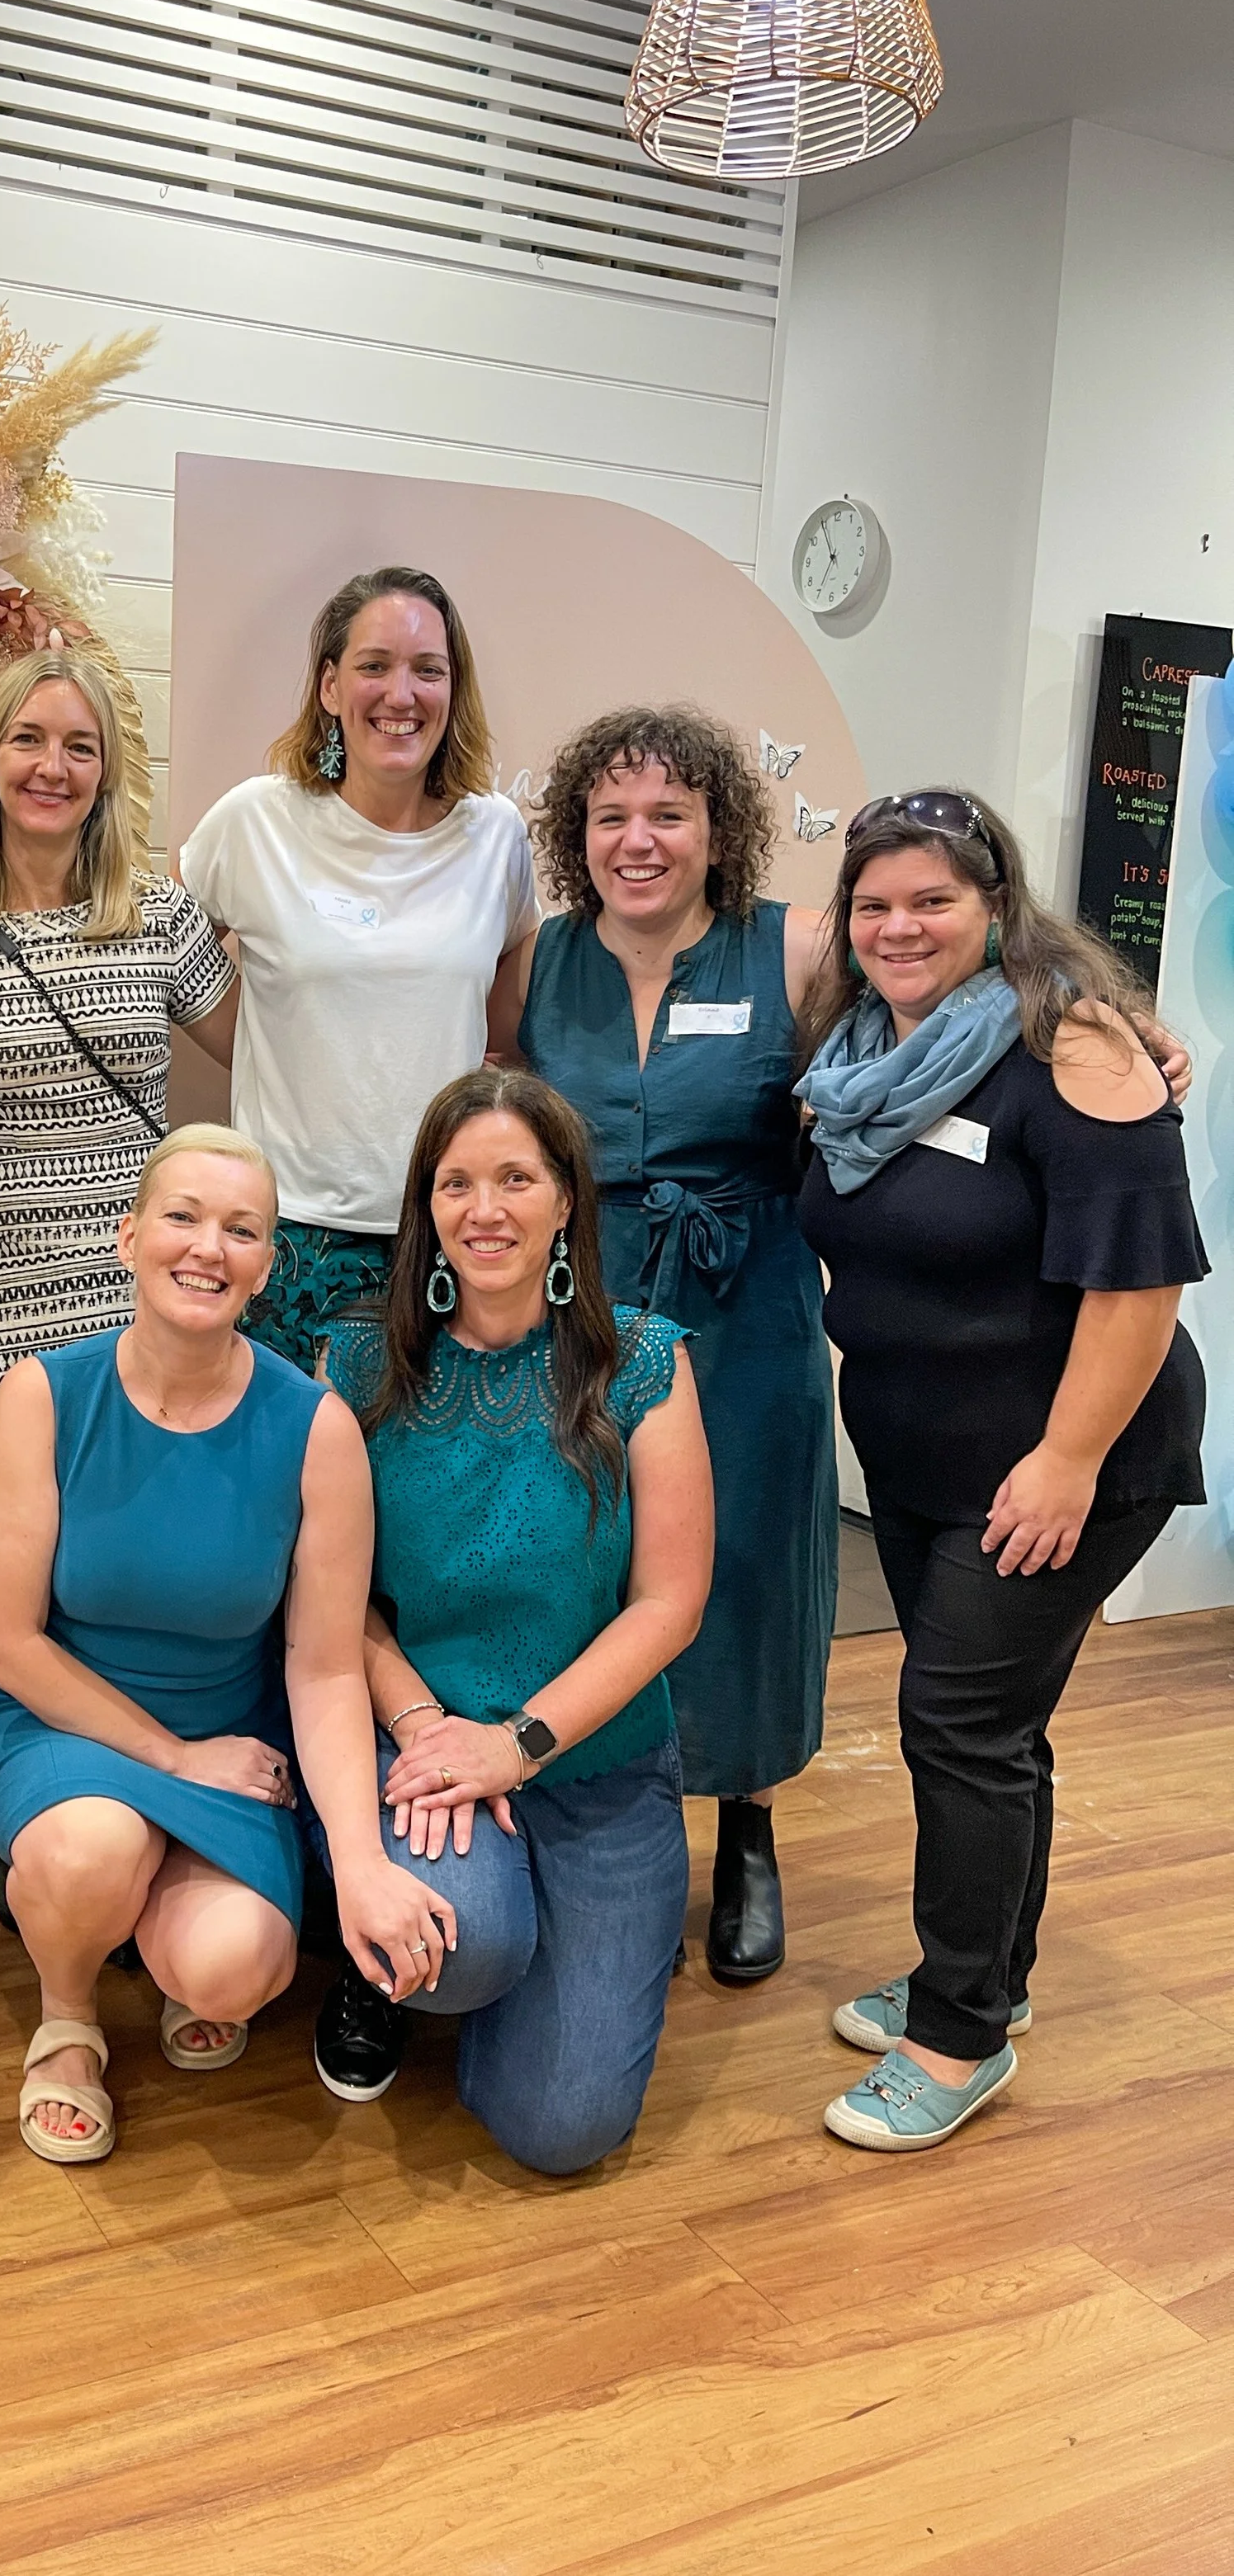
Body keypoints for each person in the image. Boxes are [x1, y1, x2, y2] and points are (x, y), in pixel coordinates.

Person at [797, 790, 1207, 2153]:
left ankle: (958, 2034)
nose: (900, 927)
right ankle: (988, 1976)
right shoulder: (860, 1054)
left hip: (1066, 1461)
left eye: (934, 900)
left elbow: (1139, 1281)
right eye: (875, 904)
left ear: (996, 908)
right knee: (994, 1726)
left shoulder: (1072, 1043)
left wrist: (1068, 1460)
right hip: (920, 1455)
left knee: (957, 1723)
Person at [0, 1124, 452, 2161]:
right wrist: (173, 1758)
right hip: (59, 1723)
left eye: (240, 1230)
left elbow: (325, 1665)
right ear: (130, 1236)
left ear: (267, 1264)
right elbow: (5, 1645)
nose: (207, 1248)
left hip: (233, 1739)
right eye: (181, 1217)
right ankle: (68, 2017)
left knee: (234, 1970)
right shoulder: (43, 1396)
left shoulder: (314, 1427)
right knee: (88, 1852)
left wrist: (359, 1860)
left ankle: (158, 1915)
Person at [315, 1069, 713, 2171]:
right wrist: (421, 1727)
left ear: (566, 1201)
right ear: (425, 1207)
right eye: (455, 1184)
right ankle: (407, 1954)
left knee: (565, 2131)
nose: (484, 1209)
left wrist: (518, 1744)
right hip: (421, 1745)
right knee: (471, 1946)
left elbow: (671, 1602)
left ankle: (518, 1961)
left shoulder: (642, 1362)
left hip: (593, 1760)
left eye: (516, 1179)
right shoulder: (357, 1363)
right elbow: (332, 1605)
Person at [515, 706, 834, 1984]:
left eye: (668, 814)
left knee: (748, 1558)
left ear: (718, 830)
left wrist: (1119, 1025)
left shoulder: (794, 948)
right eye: (612, 817)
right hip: (583, 1302)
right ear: (577, 834)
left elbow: (969, 982)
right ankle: (591, 1801)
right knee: (591, 1554)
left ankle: (748, 1822)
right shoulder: (535, 962)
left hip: (749, 1301)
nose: (638, 841)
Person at [0, 651, 240, 1551]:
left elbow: (271, 1058)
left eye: (79, 747)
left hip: (143, 1291)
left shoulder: (160, 919)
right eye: (28, 739)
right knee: (11, 1580)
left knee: (148, 1562)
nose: (52, 767)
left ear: (105, 775)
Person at [177, 568, 539, 1374]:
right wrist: (266, 1044)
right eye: (374, 665)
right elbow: (152, 944)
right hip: (287, 1238)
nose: (401, 694)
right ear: (330, 686)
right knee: (287, 1457)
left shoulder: (496, 836)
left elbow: (515, 972)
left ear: (454, 688)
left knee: (436, 1460)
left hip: (450, 1236)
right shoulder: (255, 820)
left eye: (427, 669)